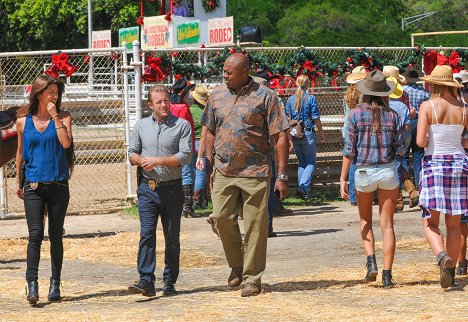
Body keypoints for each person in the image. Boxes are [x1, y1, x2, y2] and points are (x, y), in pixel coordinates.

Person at [202, 53, 290, 297]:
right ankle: (237, 265)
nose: (225, 75)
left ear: (244, 71)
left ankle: (252, 278)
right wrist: (208, 163)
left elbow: (280, 136)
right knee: (220, 217)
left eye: (230, 72)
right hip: (224, 170)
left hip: (256, 171)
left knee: (255, 226)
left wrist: (282, 175)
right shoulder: (216, 95)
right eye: (224, 71)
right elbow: (209, 130)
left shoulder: (265, 97)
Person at [340, 70, 405, 288]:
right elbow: (401, 149)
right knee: (387, 225)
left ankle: (371, 262)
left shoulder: (355, 114)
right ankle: (388, 275)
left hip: (364, 173)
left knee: (365, 220)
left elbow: (349, 150)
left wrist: (342, 179)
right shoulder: (393, 115)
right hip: (387, 171)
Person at [128, 85, 192, 297]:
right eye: (159, 102)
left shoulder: (181, 126)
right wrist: (139, 161)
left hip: (172, 189)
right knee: (147, 234)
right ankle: (146, 280)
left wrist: (159, 161)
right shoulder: (141, 126)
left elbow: (185, 156)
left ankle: (169, 280)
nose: (164, 105)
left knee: (172, 236)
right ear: (150, 105)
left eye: (166, 101)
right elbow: (132, 153)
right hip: (148, 188)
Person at [15, 74, 74, 305]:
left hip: (58, 184)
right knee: (35, 234)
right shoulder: (23, 121)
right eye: (50, 92)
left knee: (56, 234)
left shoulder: (64, 117)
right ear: (39, 94)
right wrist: (18, 181)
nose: (55, 96)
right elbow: (20, 153)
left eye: (57, 92)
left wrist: (54, 116)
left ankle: (55, 282)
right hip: (33, 185)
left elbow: (66, 143)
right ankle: (32, 284)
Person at [417, 65, 468, 288]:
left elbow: (420, 142)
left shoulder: (428, 106)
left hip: (435, 163)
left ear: (433, 83)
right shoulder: (464, 108)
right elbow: (466, 141)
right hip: (459, 164)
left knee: (430, 222)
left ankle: (442, 257)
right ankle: (453, 271)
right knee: (455, 224)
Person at [285, 74, 325, 200]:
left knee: (302, 163)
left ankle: (304, 192)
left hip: (294, 134)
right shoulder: (311, 98)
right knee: (311, 163)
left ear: (296, 83)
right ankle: (303, 188)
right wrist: (321, 133)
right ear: (308, 84)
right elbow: (315, 117)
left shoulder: (290, 99)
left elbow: (287, 118)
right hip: (308, 133)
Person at [170, 78, 197, 218]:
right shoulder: (184, 108)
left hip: (173, 146)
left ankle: (179, 205)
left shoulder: (170, 106)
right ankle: (188, 206)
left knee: (177, 175)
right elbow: (185, 129)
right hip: (184, 146)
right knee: (187, 174)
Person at [387, 77, 414, 212]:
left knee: (394, 170)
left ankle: (398, 202)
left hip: (389, 141)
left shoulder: (385, 107)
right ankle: (412, 190)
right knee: (401, 165)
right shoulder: (403, 106)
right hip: (403, 140)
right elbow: (408, 127)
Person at [342, 66, 368, 206]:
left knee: (352, 161)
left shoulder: (347, 94)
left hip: (347, 129)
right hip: (360, 128)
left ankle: (353, 196)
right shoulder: (362, 94)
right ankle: (366, 193)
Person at [402, 67, 429, 190]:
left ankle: (408, 184)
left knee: (405, 154)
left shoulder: (401, 91)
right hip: (419, 122)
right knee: (418, 154)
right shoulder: (424, 93)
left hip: (405, 123)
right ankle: (419, 184)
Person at [190, 84, 210, 209]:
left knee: (190, 170)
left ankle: (190, 198)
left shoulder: (189, 109)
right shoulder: (205, 111)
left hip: (190, 142)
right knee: (200, 171)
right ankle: (199, 199)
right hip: (202, 143)